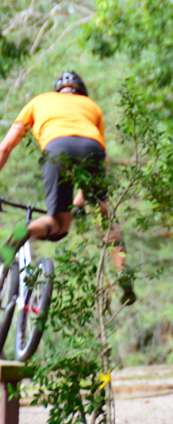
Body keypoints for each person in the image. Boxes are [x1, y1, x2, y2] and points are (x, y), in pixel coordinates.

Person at [0, 72, 131, 300]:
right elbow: (93, 163)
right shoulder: (92, 106)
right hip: (91, 148)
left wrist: (64, 210)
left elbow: (5, 148)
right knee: (104, 216)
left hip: (56, 147)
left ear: (57, 90)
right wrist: (75, 205)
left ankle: (26, 230)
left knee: (58, 223)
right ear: (80, 91)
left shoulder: (39, 101)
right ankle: (123, 272)